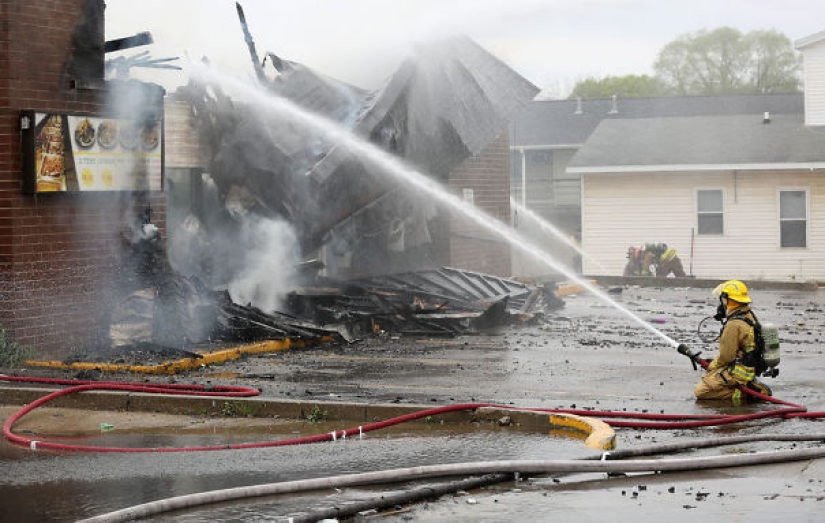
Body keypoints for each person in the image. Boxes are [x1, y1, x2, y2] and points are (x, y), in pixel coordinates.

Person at [694, 280, 772, 405]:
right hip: (749, 367)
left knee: (701, 391)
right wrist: (714, 361)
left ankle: (749, 392)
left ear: (726, 300)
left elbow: (727, 356)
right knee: (713, 374)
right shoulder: (748, 315)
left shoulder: (733, 325)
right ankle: (747, 386)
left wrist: (712, 366)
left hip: (739, 373)